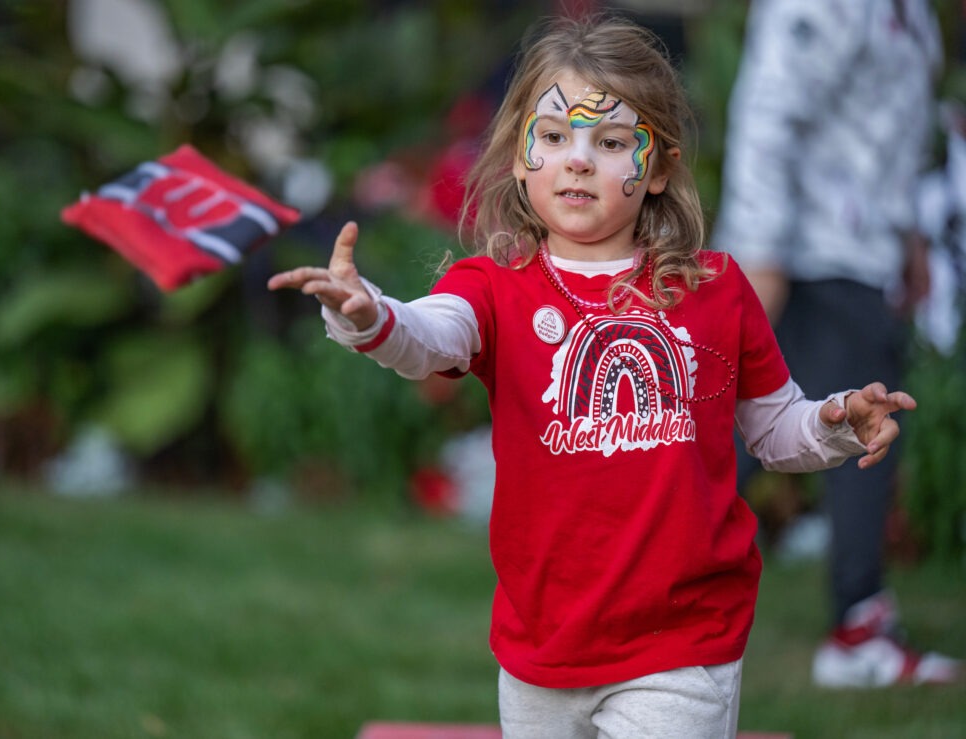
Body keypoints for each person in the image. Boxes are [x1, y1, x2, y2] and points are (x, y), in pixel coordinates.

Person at [269, 16, 918, 737]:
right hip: (541, 649)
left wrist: (833, 422)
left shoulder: (718, 289)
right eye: (553, 137)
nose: (578, 160)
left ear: (660, 167)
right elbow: (427, 335)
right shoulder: (492, 287)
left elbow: (773, 428)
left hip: (682, 645)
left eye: (611, 143)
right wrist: (369, 316)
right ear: (520, 155)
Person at [712, 0, 961, 688]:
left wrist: (905, 229)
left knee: (764, 429)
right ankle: (855, 628)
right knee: (846, 429)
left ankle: (633, 592)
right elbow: (770, 106)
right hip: (804, 254)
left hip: (856, 247)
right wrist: (759, 253)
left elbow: (890, 120)